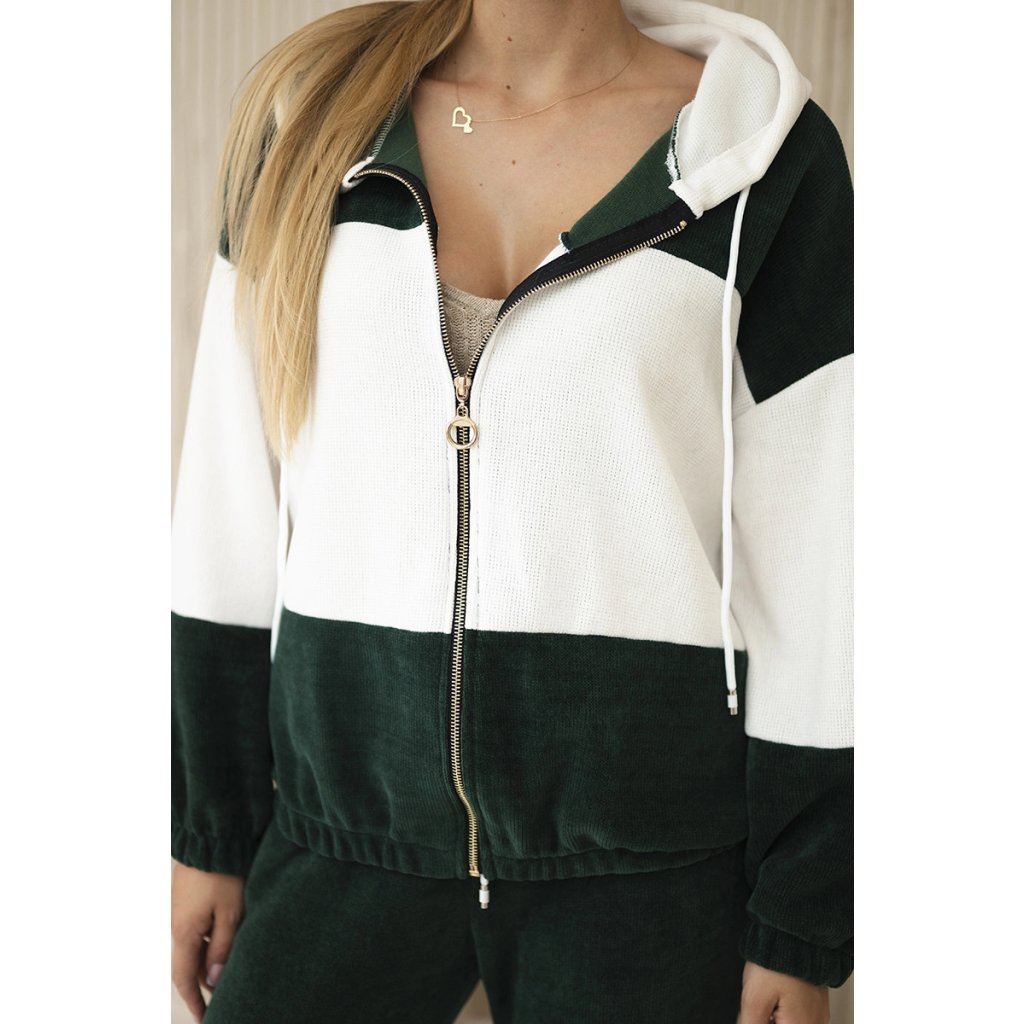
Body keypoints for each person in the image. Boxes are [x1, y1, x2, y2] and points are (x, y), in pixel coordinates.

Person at [170, 0, 853, 1021]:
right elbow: (228, 497)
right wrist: (209, 828)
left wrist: (800, 913)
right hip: (340, 825)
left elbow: (821, 555)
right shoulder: (303, 125)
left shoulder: (763, 157)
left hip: (651, 862)